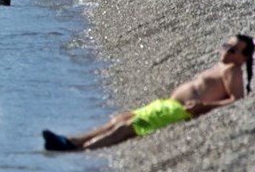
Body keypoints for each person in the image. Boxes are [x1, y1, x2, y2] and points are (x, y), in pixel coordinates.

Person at [43, 34, 253, 151]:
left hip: (180, 111)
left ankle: (82, 150)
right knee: (121, 118)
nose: (226, 51)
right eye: (227, 45)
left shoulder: (233, 71)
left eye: (233, 50)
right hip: (169, 105)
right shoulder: (221, 66)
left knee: (127, 127)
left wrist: (204, 107)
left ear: (243, 58)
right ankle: (72, 141)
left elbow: (237, 99)